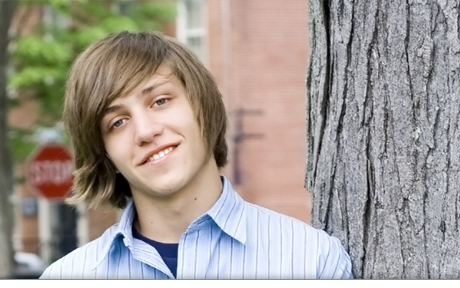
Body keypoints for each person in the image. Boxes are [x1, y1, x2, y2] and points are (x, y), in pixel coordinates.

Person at [39, 31, 354, 279]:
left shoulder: (311, 261)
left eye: (160, 101)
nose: (146, 131)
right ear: (104, 154)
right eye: (118, 122)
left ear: (202, 105)